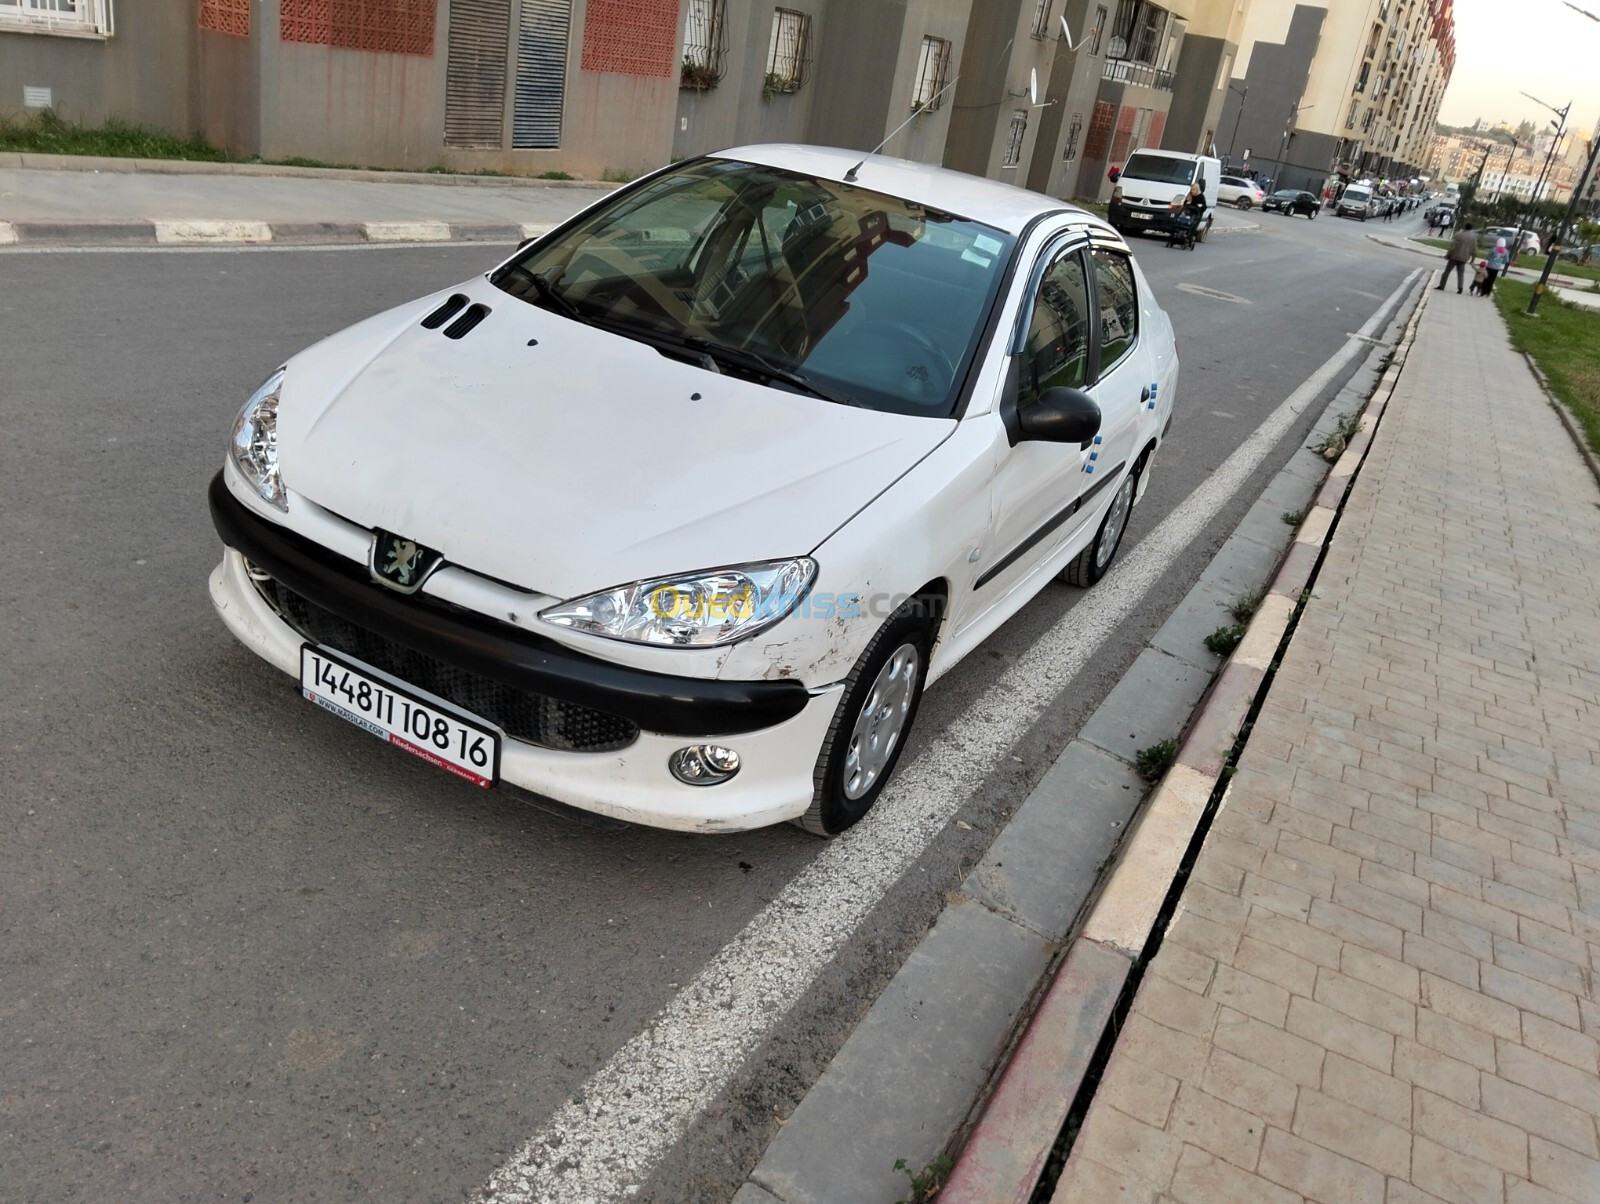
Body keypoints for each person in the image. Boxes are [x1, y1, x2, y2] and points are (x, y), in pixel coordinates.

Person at [1437, 222, 1476, 293]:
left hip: (1454, 257)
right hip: (1464, 258)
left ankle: (1442, 286)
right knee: (1461, 274)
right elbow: (1474, 250)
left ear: (1465, 227)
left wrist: (1448, 254)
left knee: (1447, 272)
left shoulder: (1459, 234)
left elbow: (1453, 246)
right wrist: (1472, 259)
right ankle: (1460, 288)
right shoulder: (1473, 238)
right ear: (1471, 228)